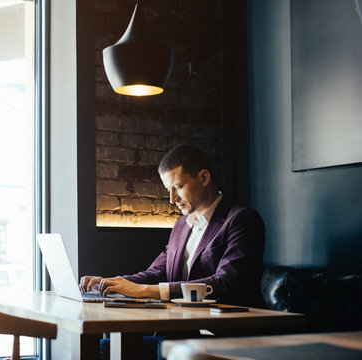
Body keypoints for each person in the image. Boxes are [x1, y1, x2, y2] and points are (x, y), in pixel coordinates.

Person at [79, 144, 265, 359]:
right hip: (182, 330)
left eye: (178, 187)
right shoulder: (181, 225)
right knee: (107, 347)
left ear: (204, 178)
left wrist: (145, 291)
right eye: (168, 189)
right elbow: (157, 272)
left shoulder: (241, 219)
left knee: (168, 344)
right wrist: (110, 283)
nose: (171, 198)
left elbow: (227, 282)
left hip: (225, 335)